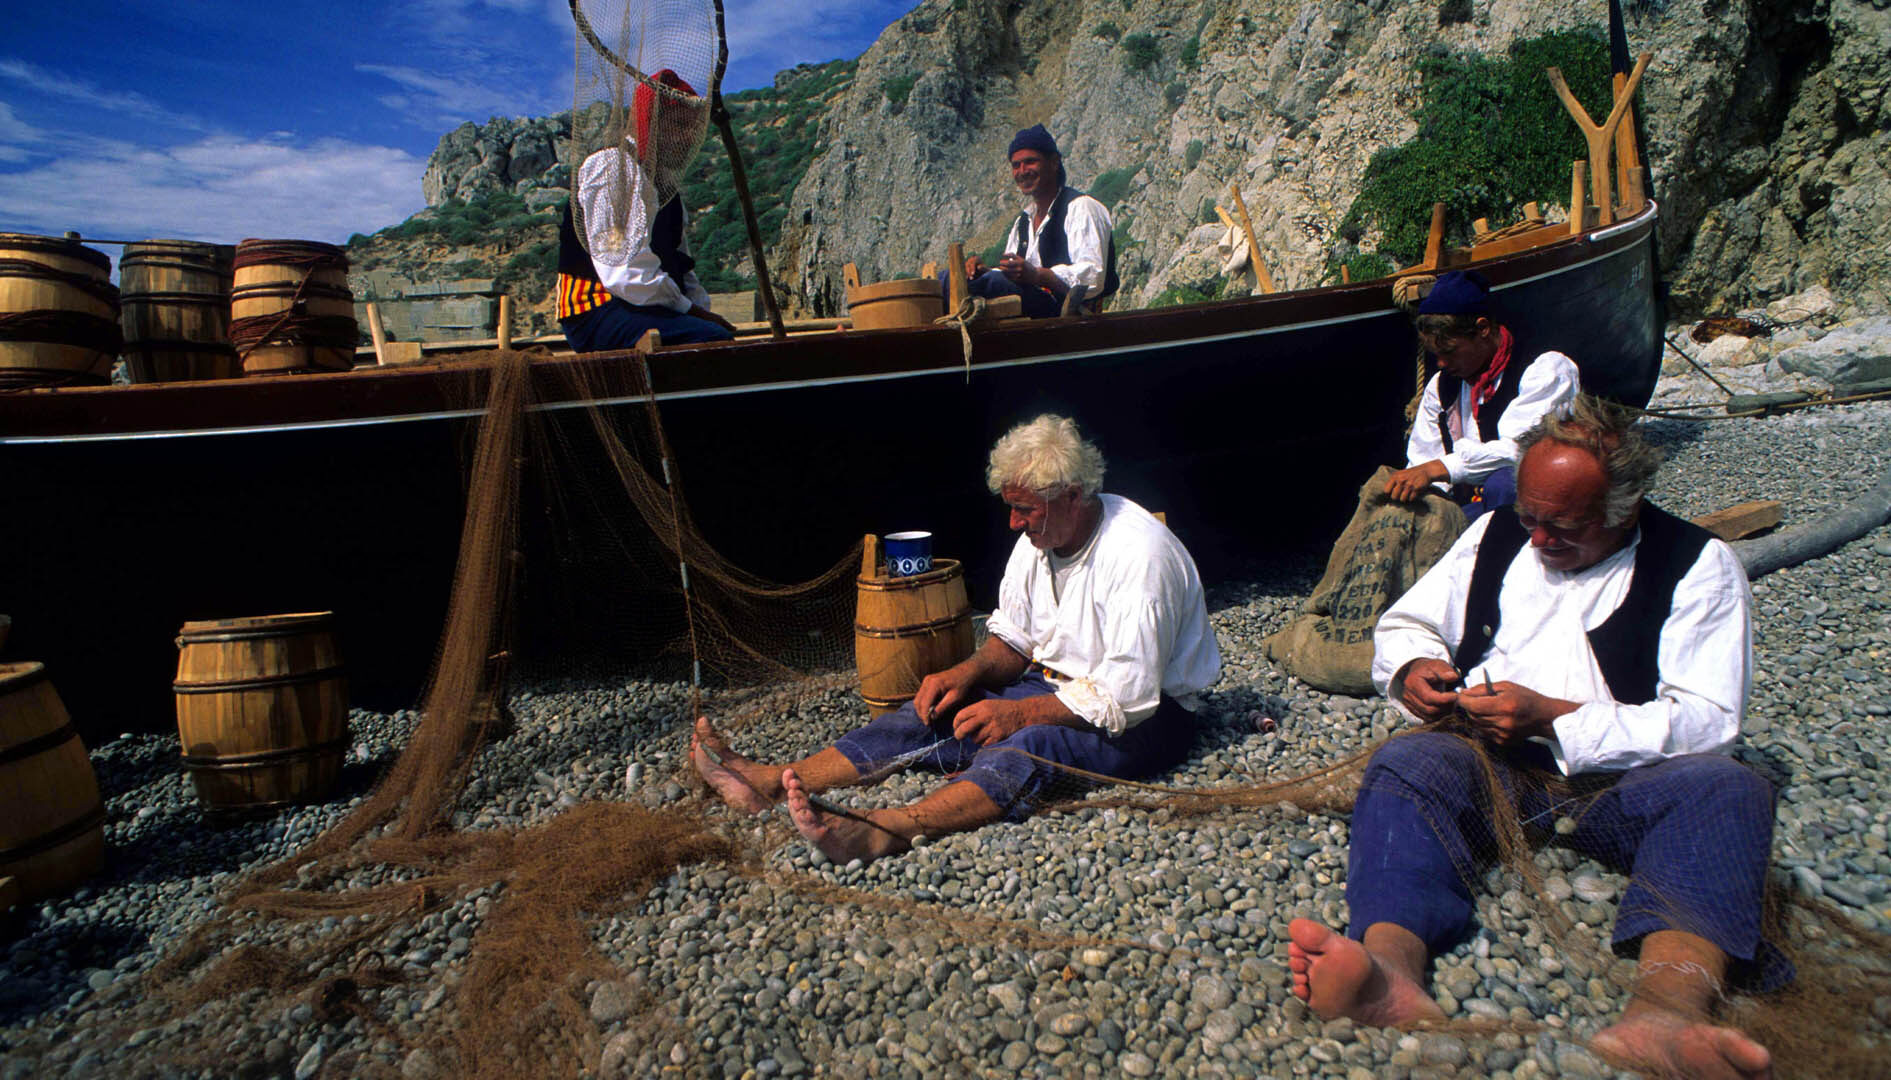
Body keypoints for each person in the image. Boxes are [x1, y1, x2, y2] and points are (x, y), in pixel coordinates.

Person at [1288, 395, 1782, 1080]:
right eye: (1530, 518)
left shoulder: (1696, 565)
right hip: (1490, 762)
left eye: (1564, 528)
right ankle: (1389, 968)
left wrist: (1553, 715)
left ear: (1624, 509)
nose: (1540, 541)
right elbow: (1408, 622)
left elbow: (1707, 719)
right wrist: (1411, 669)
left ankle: (1668, 1011)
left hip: (1620, 785)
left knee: (1729, 790)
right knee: (1406, 764)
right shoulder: (1496, 533)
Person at [691, 414, 1219, 863]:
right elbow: (1013, 641)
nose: (1013, 522)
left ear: (1072, 498)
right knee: (927, 710)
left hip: (1151, 715)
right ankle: (768, 782)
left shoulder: (1138, 556)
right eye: (1011, 507)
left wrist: (1017, 714)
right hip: (1057, 686)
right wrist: (964, 674)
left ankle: (885, 828)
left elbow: (1127, 695)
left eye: (1025, 510)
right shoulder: (1040, 539)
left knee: (1026, 746)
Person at [556, 69, 735, 352]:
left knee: (717, 335)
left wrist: (703, 310)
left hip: (649, 307)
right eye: (679, 126)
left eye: (692, 128)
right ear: (651, 123)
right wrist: (694, 314)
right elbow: (622, 273)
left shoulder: (667, 192)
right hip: (599, 312)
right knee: (711, 341)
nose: (689, 138)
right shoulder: (611, 167)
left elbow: (681, 265)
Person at [1384, 271, 1581, 520]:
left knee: (1503, 484)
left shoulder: (1545, 369)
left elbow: (1521, 450)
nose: (1442, 363)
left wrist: (1442, 468)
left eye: (1450, 351)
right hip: (1469, 506)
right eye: (1436, 354)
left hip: (1534, 504)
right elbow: (1423, 459)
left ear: (1483, 328)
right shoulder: (1442, 386)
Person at [948, 125, 1118, 318]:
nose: (1022, 171)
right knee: (952, 279)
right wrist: (983, 271)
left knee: (979, 284)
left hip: (1063, 314)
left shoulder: (1082, 208)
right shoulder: (1023, 222)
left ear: (1054, 163)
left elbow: (1093, 275)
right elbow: (1010, 274)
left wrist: (1037, 276)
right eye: (1016, 165)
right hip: (1029, 307)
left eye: (1030, 162)